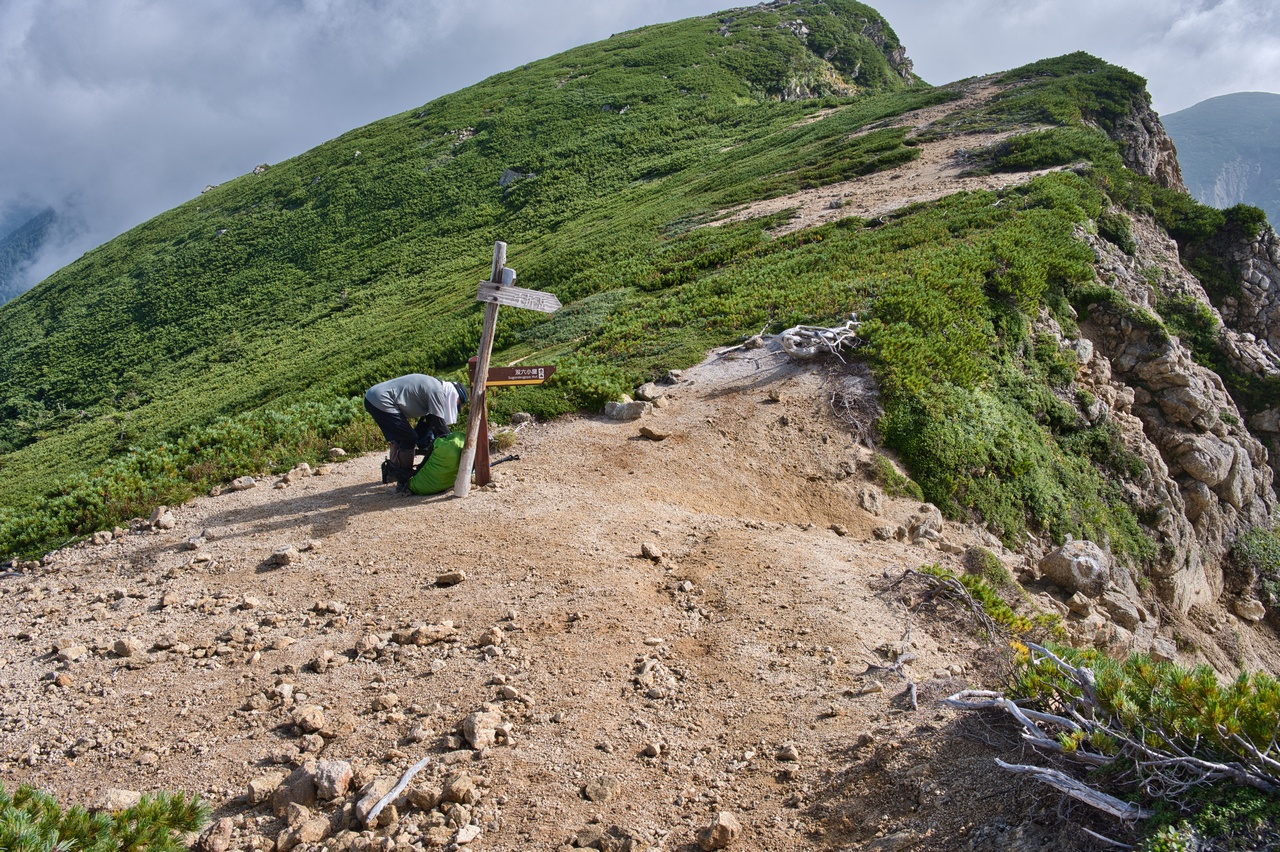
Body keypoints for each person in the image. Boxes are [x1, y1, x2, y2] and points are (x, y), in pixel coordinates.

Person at [364, 374, 468, 491]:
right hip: (381, 400)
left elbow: (429, 421)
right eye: (457, 402)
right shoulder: (437, 391)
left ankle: (393, 473)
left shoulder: (436, 386)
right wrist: (451, 444)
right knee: (409, 437)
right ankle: (403, 480)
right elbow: (438, 422)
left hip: (373, 397)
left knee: (401, 436)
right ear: (454, 395)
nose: (455, 405)